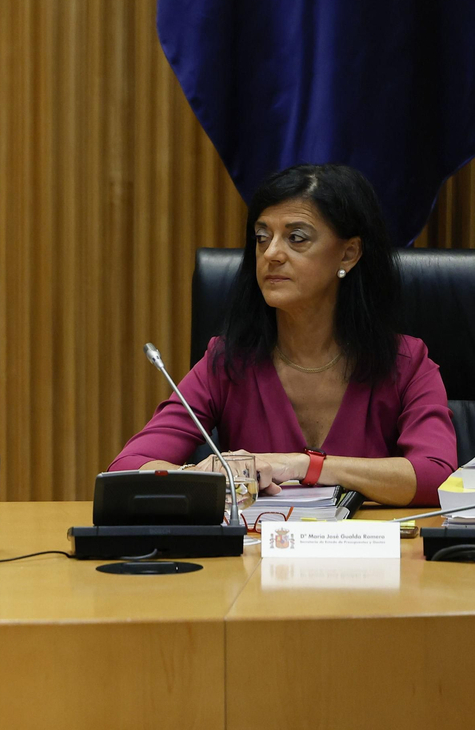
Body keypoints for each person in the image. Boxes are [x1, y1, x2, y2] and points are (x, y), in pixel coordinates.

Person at [110, 163, 456, 506]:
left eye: (296, 238)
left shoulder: (405, 363)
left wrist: (302, 464)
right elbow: (127, 467)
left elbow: (436, 476)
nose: (272, 254)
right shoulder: (229, 361)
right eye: (262, 238)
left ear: (349, 253)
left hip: (367, 555)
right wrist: (200, 474)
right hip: (258, 555)